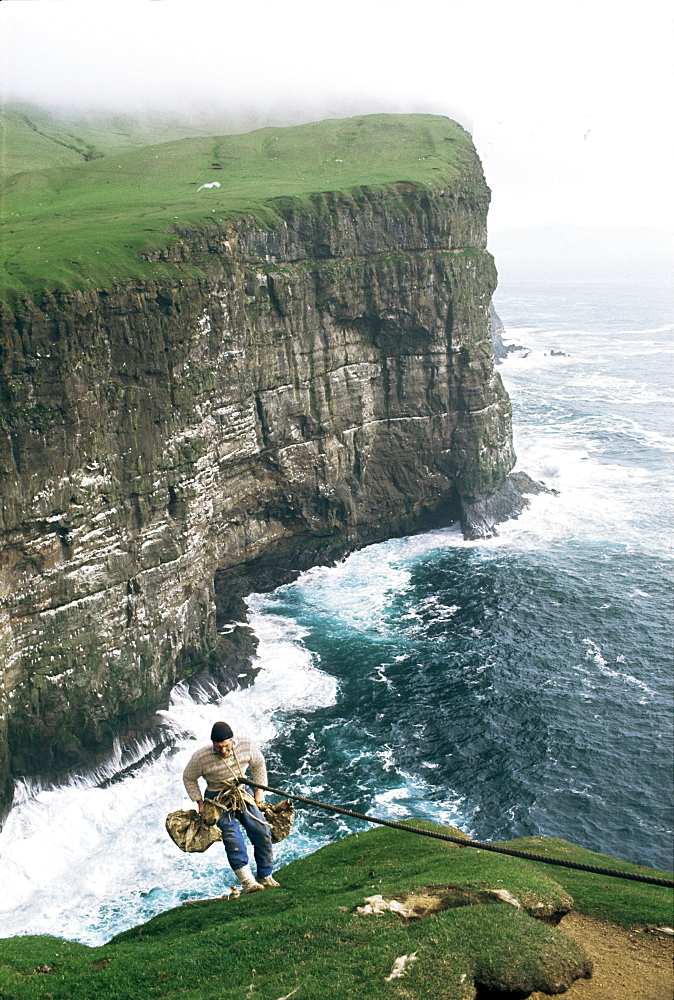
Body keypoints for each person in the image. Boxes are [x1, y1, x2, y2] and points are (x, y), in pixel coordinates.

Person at [182, 721, 279, 893]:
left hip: (241, 792)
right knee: (233, 836)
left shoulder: (246, 746)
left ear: (232, 740)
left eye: (226, 746)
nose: (223, 751)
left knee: (262, 829)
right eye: (218, 747)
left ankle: (265, 875)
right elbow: (188, 777)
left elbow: (259, 764)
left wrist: (259, 791)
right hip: (217, 798)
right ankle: (248, 882)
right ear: (213, 744)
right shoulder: (200, 757)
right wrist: (200, 802)